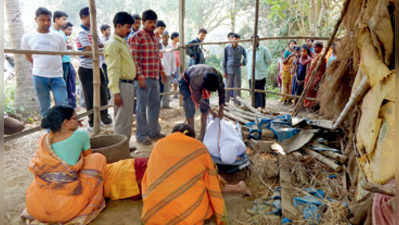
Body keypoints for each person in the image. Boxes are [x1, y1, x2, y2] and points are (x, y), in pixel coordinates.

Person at [21, 105, 148, 225]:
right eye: (75, 118)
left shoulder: (45, 140)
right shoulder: (80, 134)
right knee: (97, 158)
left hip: (36, 205)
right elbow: (88, 157)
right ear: (65, 123)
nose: (79, 121)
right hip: (66, 207)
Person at [141, 123, 251, 225]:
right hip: (187, 217)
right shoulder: (198, 148)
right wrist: (221, 216)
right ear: (192, 137)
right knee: (208, 184)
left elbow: (147, 179)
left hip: (153, 214)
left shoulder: (158, 145)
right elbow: (212, 184)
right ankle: (238, 187)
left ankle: (238, 187)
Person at [21, 7, 68, 117]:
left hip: (57, 76)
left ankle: (61, 130)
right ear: (36, 20)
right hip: (39, 76)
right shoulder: (28, 37)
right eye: (42, 20)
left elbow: (61, 54)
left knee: (62, 105)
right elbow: (27, 54)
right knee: (44, 107)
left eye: (48, 20)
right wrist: (38, 64)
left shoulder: (58, 37)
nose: (46, 23)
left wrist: (52, 65)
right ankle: (49, 132)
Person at [129, 9, 166, 145]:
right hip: (143, 78)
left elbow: (157, 57)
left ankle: (154, 132)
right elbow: (134, 59)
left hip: (155, 76)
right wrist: (139, 76)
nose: (153, 25)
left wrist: (162, 72)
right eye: (150, 22)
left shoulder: (156, 38)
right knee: (141, 107)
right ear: (143, 22)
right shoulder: (136, 37)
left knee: (155, 105)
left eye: (154, 22)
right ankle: (141, 135)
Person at [76, 7, 112, 128]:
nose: (92, 20)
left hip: (97, 66)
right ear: (83, 17)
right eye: (90, 17)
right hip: (86, 69)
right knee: (89, 95)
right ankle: (92, 120)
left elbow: (100, 45)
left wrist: (102, 47)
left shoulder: (93, 31)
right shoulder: (81, 32)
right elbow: (88, 50)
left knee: (103, 92)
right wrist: (101, 48)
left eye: (94, 17)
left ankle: (104, 115)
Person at [104, 12, 136, 143]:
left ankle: (124, 146)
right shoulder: (113, 44)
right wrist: (116, 92)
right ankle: (120, 148)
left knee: (126, 118)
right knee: (122, 119)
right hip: (121, 85)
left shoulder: (122, 43)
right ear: (118, 26)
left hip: (127, 84)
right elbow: (112, 69)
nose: (129, 30)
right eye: (127, 27)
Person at [179, 64, 225, 141]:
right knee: (189, 105)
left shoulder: (218, 78)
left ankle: (202, 136)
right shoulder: (196, 80)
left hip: (201, 81)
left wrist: (221, 108)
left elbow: (222, 93)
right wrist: (212, 112)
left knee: (205, 110)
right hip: (186, 82)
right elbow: (198, 99)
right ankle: (191, 134)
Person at [52, 11, 77, 109]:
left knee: (69, 83)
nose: (65, 21)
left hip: (66, 61)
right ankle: (62, 107)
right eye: (64, 19)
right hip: (60, 62)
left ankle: (69, 105)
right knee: (62, 85)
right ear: (56, 19)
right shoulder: (52, 32)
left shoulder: (61, 33)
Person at [246, 36, 272, 108]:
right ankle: (254, 107)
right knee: (252, 92)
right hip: (251, 75)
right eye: (252, 41)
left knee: (260, 91)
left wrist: (262, 67)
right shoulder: (248, 50)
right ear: (250, 42)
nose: (254, 42)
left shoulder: (263, 50)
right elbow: (247, 61)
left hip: (260, 75)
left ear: (259, 40)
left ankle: (261, 107)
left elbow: (269, 61)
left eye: (256, 40)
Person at [223, 33, 247, 104]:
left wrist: (243, 63)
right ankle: (226, 102)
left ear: (239, 40)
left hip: (237, 70)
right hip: (228, 70)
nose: (235, 41)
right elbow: (224, 60)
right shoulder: (227, 48)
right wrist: (224, 71)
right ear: (232, 39)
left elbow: (246, 57)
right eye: (234, 40)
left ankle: (237, 102)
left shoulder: (241, 48)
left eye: (237, 40)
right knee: (228, 86)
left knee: (237, 86)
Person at [304, 41, 326, 111]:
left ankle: (311, 106)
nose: (314, 48)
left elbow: (322, 69)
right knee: (308, 91)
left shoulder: (322, 57)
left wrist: (318, 77)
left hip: (315, 76)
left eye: (316, 47)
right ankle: (307, 105)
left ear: (320, 48)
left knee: (312, 91)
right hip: (310, 75)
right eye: (314, 47)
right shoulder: (315, 56)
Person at [160, 31, 177, 109]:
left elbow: (173, 59)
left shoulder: (171, 47)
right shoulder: (158, 45)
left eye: (167, 37)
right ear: (162, 37)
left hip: (168, 70)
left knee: (167, 88)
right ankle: (158, 104)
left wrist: (173, 71)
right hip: (159, 71)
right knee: (159, 88)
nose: (165, 38)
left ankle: (166, 104)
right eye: (164, 37)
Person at [280, 40, 297, 104]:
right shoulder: (287, 52)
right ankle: (285, 99)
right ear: (289, 45)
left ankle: (290, 99)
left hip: (292, 71)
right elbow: (284, 61)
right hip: (286, 70)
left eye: (294, 44)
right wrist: (290, 56)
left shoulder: (296, 52)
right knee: (285, 84)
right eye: (291, 44)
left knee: (291, 85)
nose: (292, 45)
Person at [100, 24, 112, 100]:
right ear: (103, 31)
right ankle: (108, 96)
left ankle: (111, 94)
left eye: (110, 30)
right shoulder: (100, 40)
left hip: (111, 62)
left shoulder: (111, 39)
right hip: (104, 63)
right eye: (108, 30)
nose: (109, 32)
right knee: (106, 79)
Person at [170, 32, 180, 96]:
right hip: (172, 65)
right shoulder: (170, 45)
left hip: (178, 64)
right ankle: (172, 92)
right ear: (174, 37)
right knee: (172, 79)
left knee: (177, 78)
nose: (179, 38)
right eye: (178, 37)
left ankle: (175, 94)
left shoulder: (178, 46)